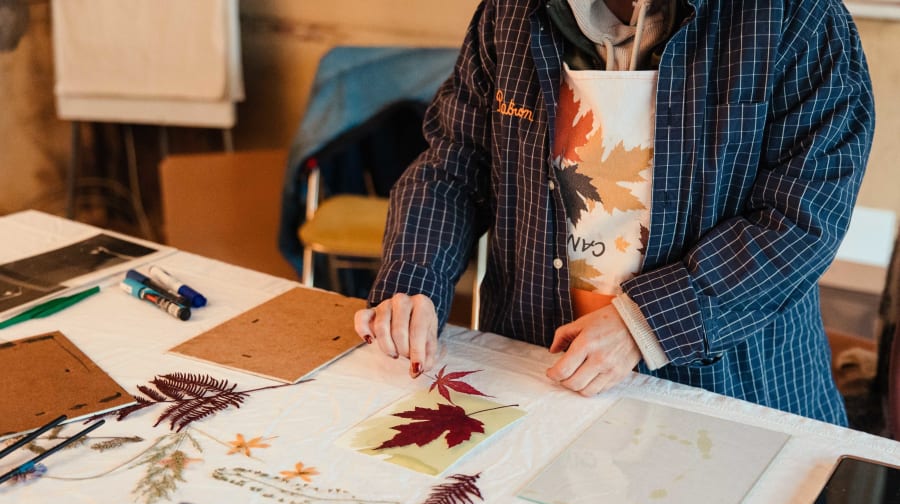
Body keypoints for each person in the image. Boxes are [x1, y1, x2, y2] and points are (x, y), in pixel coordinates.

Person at [353, 0, 875, 426]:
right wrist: (415, 281)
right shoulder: (510, 13)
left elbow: (802, 219)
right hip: (536, 370)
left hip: (731, 389)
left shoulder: (797, 18)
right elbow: (454, 165)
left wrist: (642, 323)